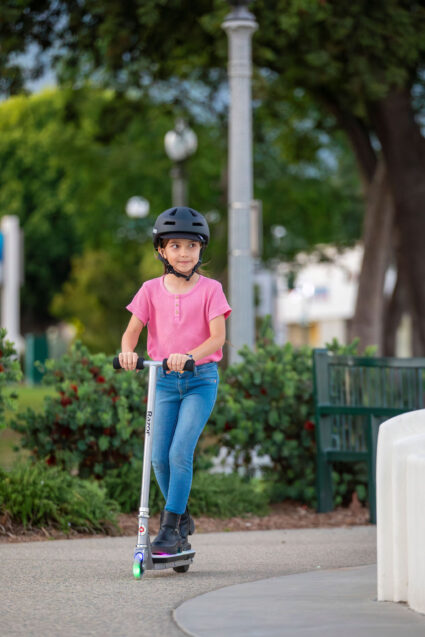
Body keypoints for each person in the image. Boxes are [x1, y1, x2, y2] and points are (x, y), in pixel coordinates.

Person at [119, 206, 231, 554]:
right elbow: (131, 333)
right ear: (162, 251)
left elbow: (217, 339)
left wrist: (190, 356)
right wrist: (127, 353)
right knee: (158, 458)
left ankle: (169, 529)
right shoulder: (150, 290)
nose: (184, 253)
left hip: (199, 380)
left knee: (180, 452)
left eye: (192, 246)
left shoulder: (211, 289)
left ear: (201, 250)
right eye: (176, 246)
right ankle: (182, 519)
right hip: (163, 382)